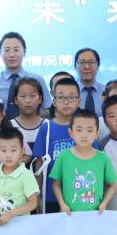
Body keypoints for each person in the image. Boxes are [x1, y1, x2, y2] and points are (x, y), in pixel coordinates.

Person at [50, 109, 116, 214]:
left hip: (95, 215)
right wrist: (62, 204)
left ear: (97, 134)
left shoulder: (103, 158)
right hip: (69, 215)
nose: (84, 135)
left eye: (89, 130)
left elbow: (112, 185)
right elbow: (56, 184)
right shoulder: (63, 156)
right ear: (71, 132)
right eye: (79, 130)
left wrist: (104, 203)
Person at [32, 77, 81, 213]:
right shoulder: (46, 128)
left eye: (71, 97)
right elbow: (39, 163)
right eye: (61, 97)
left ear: (79, 101)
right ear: (54, 101)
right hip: (50, 195)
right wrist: (37, 194)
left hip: (80, 194)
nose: (66, 102)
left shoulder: (85, 127)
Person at [0, 32, 52, 118]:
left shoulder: (37, 79)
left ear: (24, 52)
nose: (12, 55)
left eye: (16, 50)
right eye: (7, 50)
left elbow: (48, 109)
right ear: (0, 53)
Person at [0, 127, 40, 226]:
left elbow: (33, 203)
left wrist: (11, 214)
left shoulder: (26, 175)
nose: (8, 155)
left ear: (22, 151)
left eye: (13, 150)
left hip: (19, 226)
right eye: (3, 150)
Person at [9, 76, 45, 150]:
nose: (28, 100)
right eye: (23, 96)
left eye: (32, 96)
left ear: (40, 99)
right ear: (15, 100)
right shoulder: (9, 126)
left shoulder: (48, 125)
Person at [74, 48, 105, 115]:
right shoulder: (68, 94)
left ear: (98, 66)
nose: (87, 67)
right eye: (82, 62)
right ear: (75, 66)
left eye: (91, 62)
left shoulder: (107, 91)